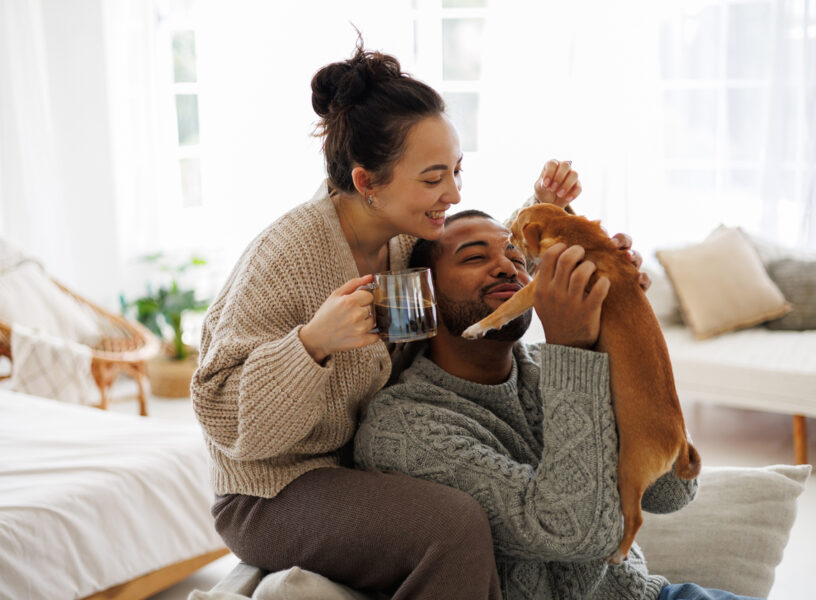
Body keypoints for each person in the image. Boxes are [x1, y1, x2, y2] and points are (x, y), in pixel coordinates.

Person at [191, 40, 584, 599]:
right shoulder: (285, 257)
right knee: (452, 526)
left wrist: (543, 209)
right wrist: (310, 346)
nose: (453, 192)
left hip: (369, 458)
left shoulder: (405, 237)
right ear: (367, 182)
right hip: (273, 491)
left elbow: (471, 271)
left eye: (456, 170)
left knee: (501, 508)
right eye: (433, 179)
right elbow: (223, 418)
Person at [354, 211, 762, 600]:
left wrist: (620, 325)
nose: (507, 268)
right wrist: (571, 351)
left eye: (516, 256)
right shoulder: (403, 424)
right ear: (425, 291)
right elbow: (572, 531)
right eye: (475, 257)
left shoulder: (559, 363)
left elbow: (672, 492)